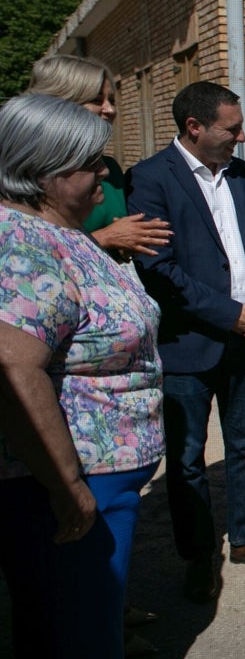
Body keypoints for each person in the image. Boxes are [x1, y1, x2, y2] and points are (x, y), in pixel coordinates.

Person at [0, 94, 164, 658]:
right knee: (75, 635)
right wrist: (66, 484)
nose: (103, 171)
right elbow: (14, 366)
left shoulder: (66, 233)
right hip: (71, 490)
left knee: (88, 624)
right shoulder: (21, 242)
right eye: (88, 162)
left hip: (106, 481)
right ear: (41, 174)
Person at [126, 81, 245, 605]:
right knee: (187, 460)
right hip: (189, 345)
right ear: (194, 127)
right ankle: (199, 557)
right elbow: (158, 269)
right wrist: (229, 314)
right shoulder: (152, 179)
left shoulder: (243, 175)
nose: (241, 137)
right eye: (231, 127)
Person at [27, 54, 173, 263]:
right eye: (97, 100)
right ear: (60, 103)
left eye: (111, 100)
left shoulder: (110, 170)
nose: (111, 110)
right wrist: (105, 238)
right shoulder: (24, 173)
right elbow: (25, 251)